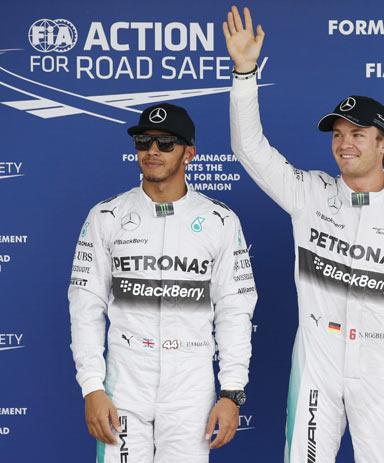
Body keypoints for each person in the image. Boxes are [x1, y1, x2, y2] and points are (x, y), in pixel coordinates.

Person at [223, 6, 384, 462]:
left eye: (358, 134)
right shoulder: (310, 192)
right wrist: (245, 73)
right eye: (338, 133)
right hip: (316, 359)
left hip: (380, 364)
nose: (344, 143)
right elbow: (249, 149)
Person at [68, 102, 257, 462]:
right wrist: (92, 387)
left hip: (190, 385)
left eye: (166, 143)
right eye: (143, 141)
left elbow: (235, 310)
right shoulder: (106, 216)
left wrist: (232, 392)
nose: (152, 151)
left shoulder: (219, 220)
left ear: (190, 153)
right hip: (124, 381)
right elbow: (85, 305)